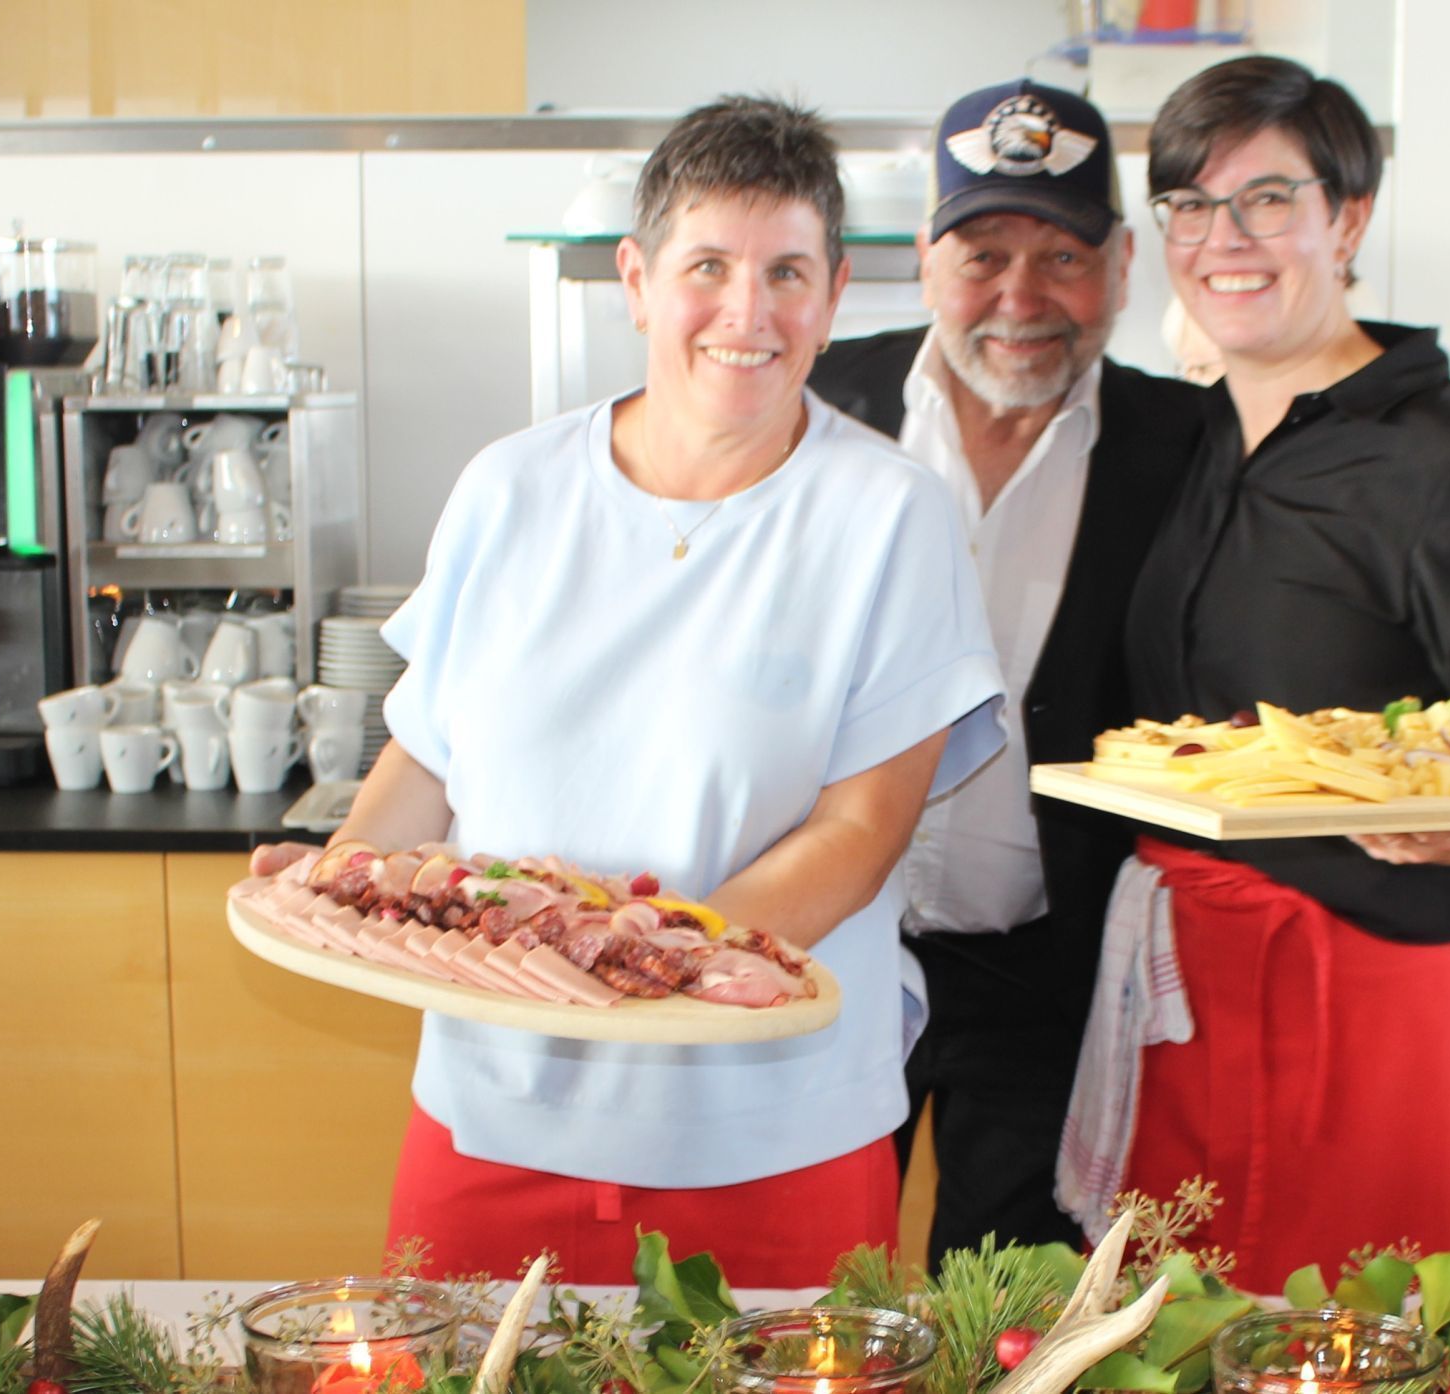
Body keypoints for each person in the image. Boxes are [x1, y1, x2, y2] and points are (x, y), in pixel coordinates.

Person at [337, 95, 1005, 1287]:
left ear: (833, 295)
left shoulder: (886, 515)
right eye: (707, 266)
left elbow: (860, 831)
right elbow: (426, 762)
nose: (747, 312)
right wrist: (338, 881)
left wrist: (640, 957)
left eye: (785, 271)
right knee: (444, 1368)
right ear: (637, 281)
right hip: (494, 1110)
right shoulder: (510, 488)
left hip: (768, 1127)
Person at [1076, 55, 1450, 1290]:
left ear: (1347, 219)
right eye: (1190, 205)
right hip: (1190, 979)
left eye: (1266, 199)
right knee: (1183, 1331)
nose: (1222, 238)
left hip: (1365, 988)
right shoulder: (1197, 433)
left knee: (1366, 1327)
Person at [808, 79, 1206, 1265]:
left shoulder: (1188, 448)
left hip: (1049, 974)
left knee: (1010, 1312)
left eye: (1062, 257)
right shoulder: (814, 409)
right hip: (823, 951)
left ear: (1121, 267)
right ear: (925, 261)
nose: (1020, 298)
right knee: (796, 1292)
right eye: (982, 255)